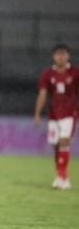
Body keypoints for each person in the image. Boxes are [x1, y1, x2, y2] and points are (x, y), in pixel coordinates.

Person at [34, 43, 79, 190]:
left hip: (70, 113)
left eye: (63, 54)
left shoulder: (75, 72)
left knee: (64, 141)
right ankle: (62, 176)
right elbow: (42, 95)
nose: (61, 56)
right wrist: (37, 114)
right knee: (55, 146)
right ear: (53, 56)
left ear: (68, 56)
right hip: (54, 114)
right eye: (58, 54)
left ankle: (60, 177)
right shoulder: (48, 74)